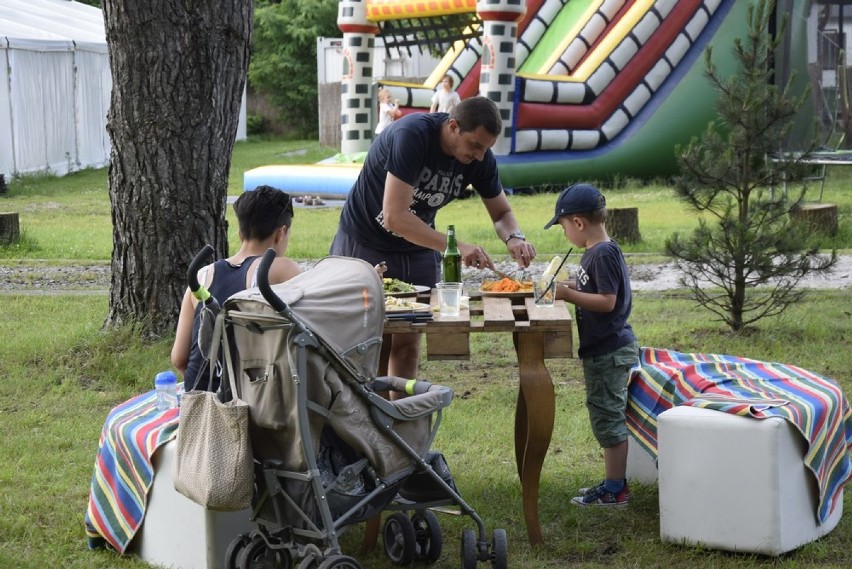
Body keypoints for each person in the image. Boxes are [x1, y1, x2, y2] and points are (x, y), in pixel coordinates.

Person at [329, 96, 536, 385]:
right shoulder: (411, 136)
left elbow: (502, 213)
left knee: (409, 339)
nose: (479, 156)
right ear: (453, 126)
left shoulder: (480, 159)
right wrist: (456, 246)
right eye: (475, 145)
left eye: (486, 148)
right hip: (365, 239)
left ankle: (399, 422)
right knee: (370, 340)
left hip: (417, 246)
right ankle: (367, 422)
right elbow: (394, 217)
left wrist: (514, 237)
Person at [543, 183, 639, 508]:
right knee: (603, 413)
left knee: (607, 418)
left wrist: (568, 295)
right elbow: (593, 286)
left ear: (579, 223)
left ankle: (615, 491)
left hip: (609, 351)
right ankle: (613, 483)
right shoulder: (597, 252)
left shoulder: (602, 253)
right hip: (604, 349)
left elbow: (607, 301)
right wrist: (567, 285)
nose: (565, 233)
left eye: (564, 226)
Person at [171, 185, 302, 392]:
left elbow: (179, 359)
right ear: (281, 233)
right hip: (251, 403)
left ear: (240, 232)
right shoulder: (281, 268)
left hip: (198, 403)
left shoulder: (201, 276)